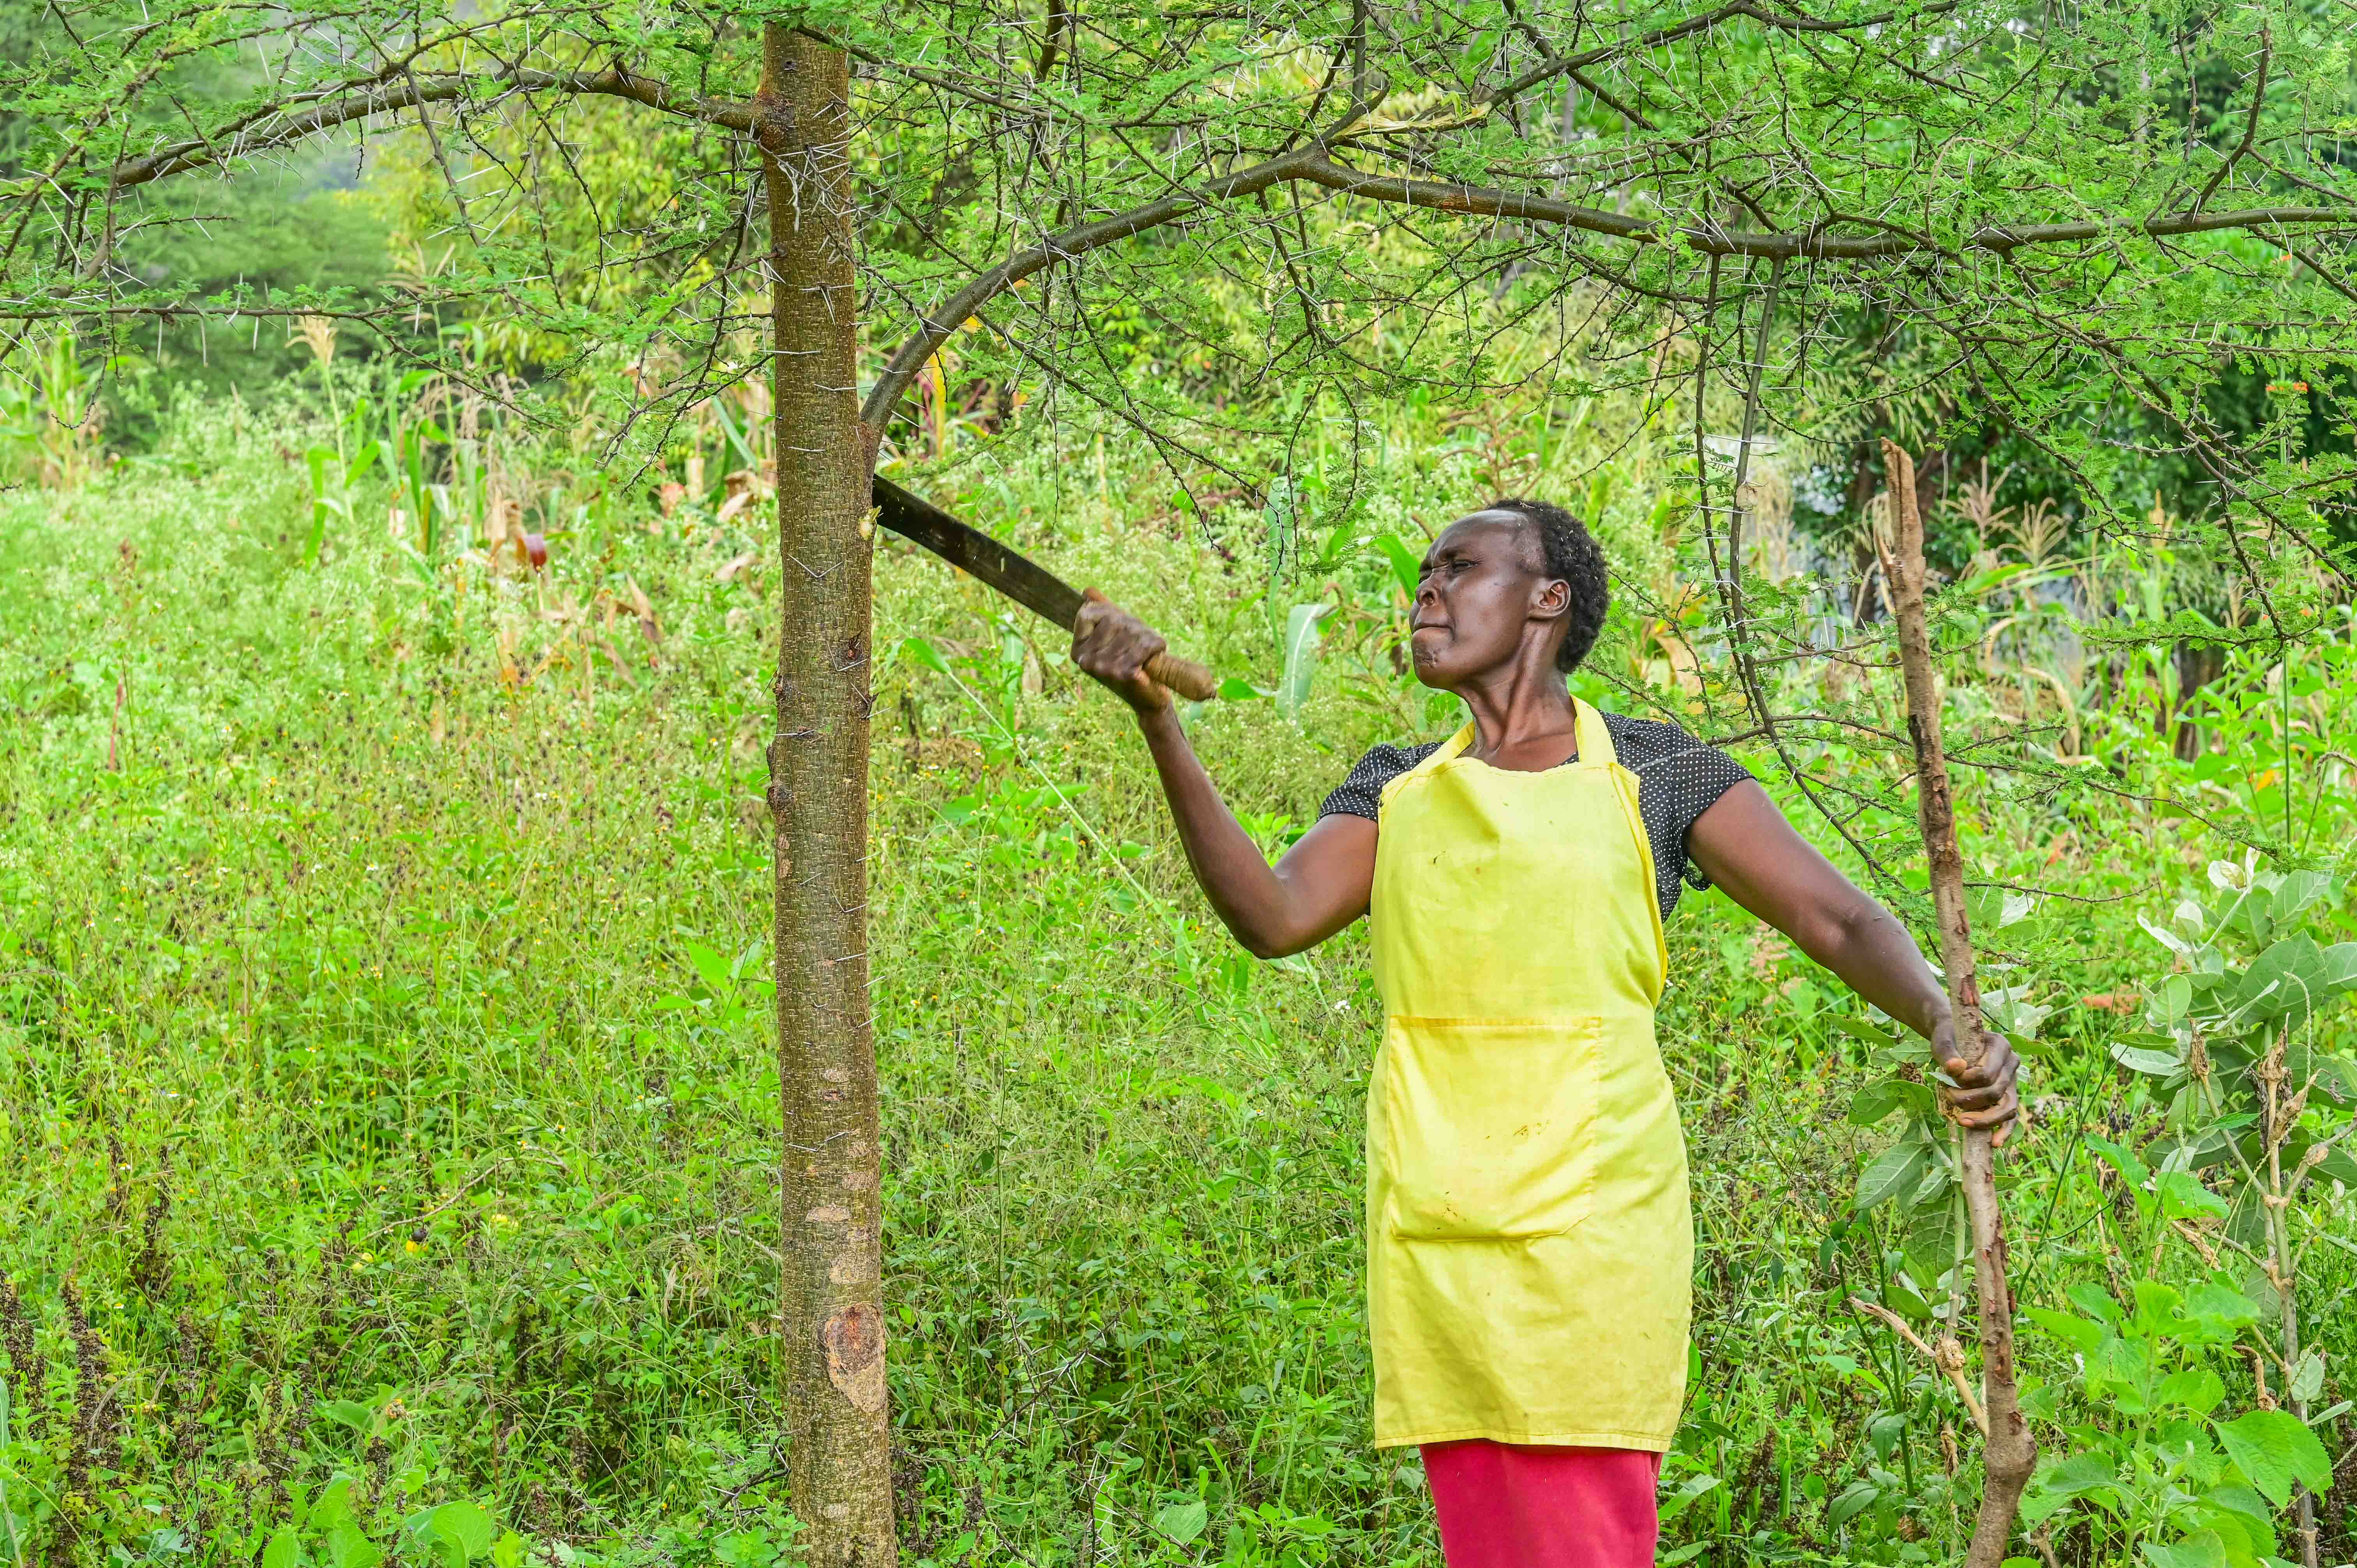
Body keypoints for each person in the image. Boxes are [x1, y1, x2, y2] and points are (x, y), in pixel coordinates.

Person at [1071, 496, 2020, 1568]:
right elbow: (1275, 915)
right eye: (1423, 572)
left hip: (1594, 1223)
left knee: (1586, 1543)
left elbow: (1834, 914)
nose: (1426, 591)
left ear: (1547, 601)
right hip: (1439, 1221)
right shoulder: (1394, 786)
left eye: (1460, 568)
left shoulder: (1662, 774)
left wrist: (1948, 1016)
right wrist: (1159, 721)